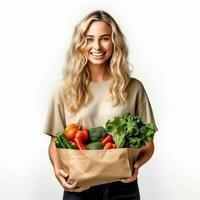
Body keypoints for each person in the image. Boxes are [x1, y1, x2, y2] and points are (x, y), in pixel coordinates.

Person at [43, 10, 157, 200]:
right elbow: (55, 141)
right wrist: (57, 171)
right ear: (80, 43)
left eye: (104, 38)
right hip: (79, 187)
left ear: (115, 43)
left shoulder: (134, 88)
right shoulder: (64, 88)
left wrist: (136, 167)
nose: (97, 46)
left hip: (123, 188)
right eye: (89, 39)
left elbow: (148, 144)